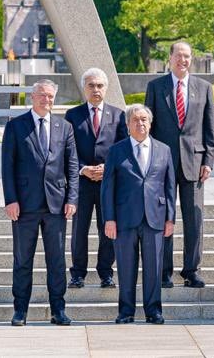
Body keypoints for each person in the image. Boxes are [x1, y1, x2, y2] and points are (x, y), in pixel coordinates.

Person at [1, 79, 79, 326]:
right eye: (42, 95)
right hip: (24, 206)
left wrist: (72, 198)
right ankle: (20, 311)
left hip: (56, 205)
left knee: (56, 261)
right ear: (32, 97)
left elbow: (72, 166)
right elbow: (7, 167)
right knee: (23, 260)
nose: (47, 100)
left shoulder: (64, 127)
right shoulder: (15, 126)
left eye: (50, 96)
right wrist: (11, 200)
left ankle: (58, 310)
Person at [144, 41, 214, 289]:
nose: (183, 60)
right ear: (170, 58)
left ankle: (192, 270)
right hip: (162, 164)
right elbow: (149, 126)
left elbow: (209, 128)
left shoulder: (204, 88)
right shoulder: (156, 87)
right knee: (163, 217)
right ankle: (164, 272)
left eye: (187, 56)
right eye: (179, 55)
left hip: (194, 163)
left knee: (194, 219)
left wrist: (208, 161)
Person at [101, 104, 176, 324]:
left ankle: (153, 311)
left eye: (144, 119)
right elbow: (107, 188)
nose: (140, 123)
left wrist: (170, 218)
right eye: (135, 120)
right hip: (124, 218)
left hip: (155, 217)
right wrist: (109, 219)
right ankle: (126, 312)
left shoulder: (164, 149)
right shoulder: (117, 150)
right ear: (127, 125)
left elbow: (170, 186)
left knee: (154, 268)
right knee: (126, 268)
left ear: (150, 123)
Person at [65, 68, 127, 289]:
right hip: (81, 183)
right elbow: (68, 150)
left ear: (106, 88)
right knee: (79, 230)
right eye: (91, 85)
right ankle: (77, 274)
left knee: (107, 228)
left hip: (107, 184)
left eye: (100, 85)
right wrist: (83, 169)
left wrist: (107, 168)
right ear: (84, 88)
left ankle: (106, 273)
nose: (96, 89)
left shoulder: (119, 115)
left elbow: (124, 149)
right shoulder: (72, 115)